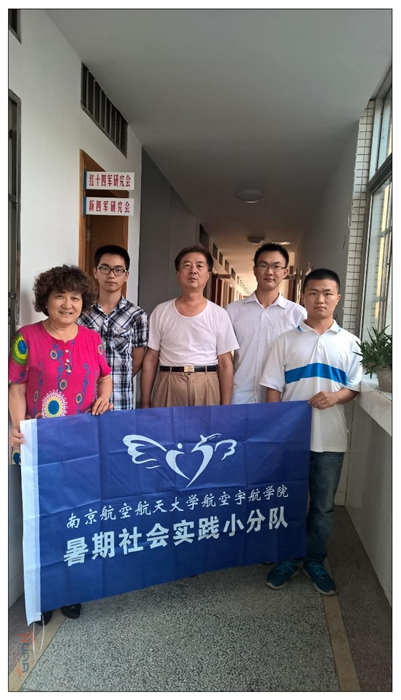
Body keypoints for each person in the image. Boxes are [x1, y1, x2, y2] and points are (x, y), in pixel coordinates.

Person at [9, 265, 113, 624]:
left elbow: (105, 377)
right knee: (42, 521)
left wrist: (105, 397)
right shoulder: (25, 338)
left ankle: (72, 589)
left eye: (75, 297)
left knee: (77, 517)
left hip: (83, 445)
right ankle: (43, 594)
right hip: (40, 444)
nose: (68, 304)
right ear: (46, 300)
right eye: (60, 296)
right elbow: (17, 387)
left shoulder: (92, 339)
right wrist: (17, 427)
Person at [259, 268, 362, 595]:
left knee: (323, 506)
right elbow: (272, 387)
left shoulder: (351, 343)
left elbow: (355, 386)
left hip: (330, 440)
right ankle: (289, 558)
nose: (320, 299)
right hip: (291, 441)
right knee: (289, 502)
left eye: (327, 293)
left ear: (338, 298)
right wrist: (277, 432)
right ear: (303, 296)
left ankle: (315, 560)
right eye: (313, 293)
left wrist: (335, 397)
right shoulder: (286, 340)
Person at [140, 245, 239, 408]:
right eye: (187, 265)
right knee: (165, 425)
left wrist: (225, 407)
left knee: (206, 426)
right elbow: (151, 358)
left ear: (208, 275)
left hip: (206, 383)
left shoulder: (219, 314)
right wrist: (145, 402)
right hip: (169, 382)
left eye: (199, 266)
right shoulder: (161, 311)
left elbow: (225, 363)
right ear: (178, 274)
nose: (193, 271)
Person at [225, 243, 306, 404]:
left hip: (280, 400)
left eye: (276, 266)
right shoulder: (232, 311)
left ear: (285, 272)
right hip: (240, 398)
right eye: (263, 265)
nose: (269, 272)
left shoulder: (297, 314)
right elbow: (224, 359)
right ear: (255, 270)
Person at [78, 245, 148, 410]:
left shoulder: (137, 316)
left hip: (120, 399)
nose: (111, 275)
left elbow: (137, 361)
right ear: (95, 272)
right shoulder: (81, 312)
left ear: (126, 275)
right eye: (105, 268)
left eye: (118, 270)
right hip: (85, 398)